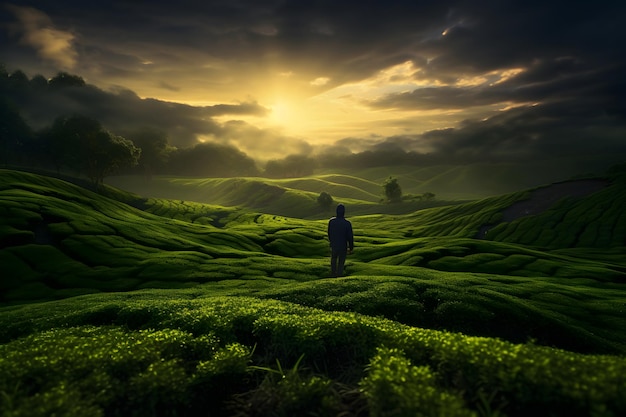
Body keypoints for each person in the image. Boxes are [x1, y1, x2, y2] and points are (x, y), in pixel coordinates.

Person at [327, 203, 354, 277]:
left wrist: (331, 241)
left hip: (334, 245)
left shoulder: (332, 222)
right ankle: (339, 275)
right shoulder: (347, 223)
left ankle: (333, 274)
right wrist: (351, 247)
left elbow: (329, 233)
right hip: (343, 246)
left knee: (333, 260)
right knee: (341, 262)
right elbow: (350, 237)